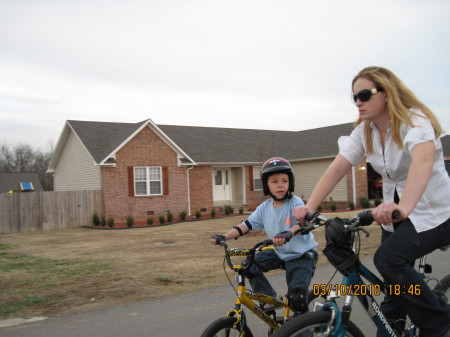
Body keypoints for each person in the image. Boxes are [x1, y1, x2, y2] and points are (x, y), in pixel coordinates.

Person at [293, 66, 450, 337]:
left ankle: (440, 324)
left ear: (386, 93)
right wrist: (309, 207)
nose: (358, 102)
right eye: (354, 97)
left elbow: (422, 163)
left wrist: (403, 209)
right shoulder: (365, 131)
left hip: (436, 213)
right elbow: (338, 166)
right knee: (393, 291)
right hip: (395, 217)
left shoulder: (415, 121)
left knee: (388, 260)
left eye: (364, 95)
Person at [210, 157, 318, 315]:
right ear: (267, 185)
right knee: (248, 265)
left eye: (284, 180)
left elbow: (301, 223)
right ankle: (269, 299)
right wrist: (224, 237)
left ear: (290, 183)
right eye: (274, 181)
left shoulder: (296, 203)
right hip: (279, 252)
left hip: (301, 255)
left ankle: (303, 328)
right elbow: (246, 225)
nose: (280, 184)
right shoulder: (264, 208)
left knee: (297, 300)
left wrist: (288, 232)